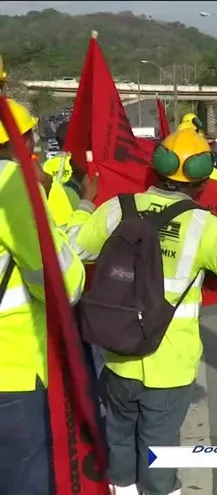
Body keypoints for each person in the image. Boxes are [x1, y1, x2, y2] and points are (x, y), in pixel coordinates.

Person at [65, 128, 217, 495]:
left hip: (117, 358)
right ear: (203, 184)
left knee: (120, 448)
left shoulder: (116, 208)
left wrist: (85, 203)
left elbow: (72, 248)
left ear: (157, 171)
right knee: (158, 458)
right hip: (169, 367)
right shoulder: (204, 226)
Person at [0, 98, 87, 495]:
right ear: (20, 142)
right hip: (12, 371)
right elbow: (63, 284)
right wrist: (41, 193)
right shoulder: (11, 184)